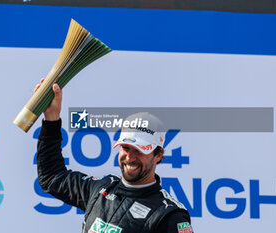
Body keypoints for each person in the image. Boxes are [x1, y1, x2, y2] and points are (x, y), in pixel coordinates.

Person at [36, 82, 193, 233]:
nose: (130, 157)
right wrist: (51, 118)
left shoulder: (170, 215)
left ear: (158, 155)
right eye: (125, 148)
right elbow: (51, 177)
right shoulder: (100, 187)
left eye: (139, 150)